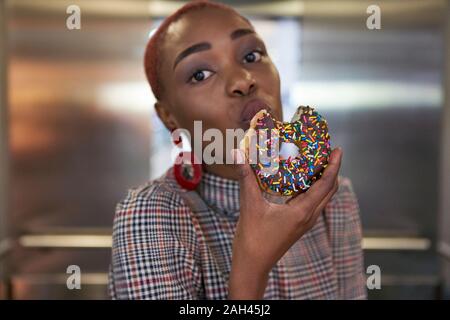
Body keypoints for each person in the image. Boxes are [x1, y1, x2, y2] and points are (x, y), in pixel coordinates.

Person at [109, 0, 366, 300]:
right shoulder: (152, 214)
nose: (243, 81)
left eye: (251, 55)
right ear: (169, 117)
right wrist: (251, 266)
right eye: (200, 74)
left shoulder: (331, 199)